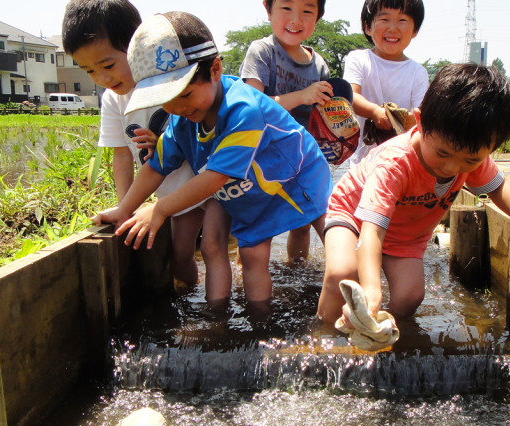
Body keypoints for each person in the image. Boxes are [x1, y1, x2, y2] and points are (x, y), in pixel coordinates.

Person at [91, 11, 333, 306]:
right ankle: (257, 327)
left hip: (296, 178)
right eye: (166, 100)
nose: (178, 107)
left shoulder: (243, 110)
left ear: (215, 69)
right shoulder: (180, 121)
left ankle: (344, 304)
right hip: (252, 192)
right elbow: (156, 167)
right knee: (252, 256)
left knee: (332, 239)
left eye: (186, 94)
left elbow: (215, 177)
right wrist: (125, 208)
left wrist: (160, 209)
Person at [317, 63, 510, 326]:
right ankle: (324, 333)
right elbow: (372, 232)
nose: (451, 168)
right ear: (420, 120)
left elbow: (499, 187)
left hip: (405, 233)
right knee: (342, 275)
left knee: (408, 297)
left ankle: (376, 332)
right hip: (355, 217)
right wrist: (371, 288)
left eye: (470, 160)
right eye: (442, 153)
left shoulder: (469, 156)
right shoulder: (395, 164)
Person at [61, 0, 226, 290]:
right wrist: (126, 206)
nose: (102, 79)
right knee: (181, 255)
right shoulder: (113, 100)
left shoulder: (172, 85)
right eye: (88, 71)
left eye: (108, 65)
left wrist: (164, 142)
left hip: (209, 186)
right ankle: (190, 299)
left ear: (138, 48)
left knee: (213, 246)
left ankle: (218, 313)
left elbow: (207, 133)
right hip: (171, 194)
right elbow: (122, 155)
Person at [240, 0, 331, 263]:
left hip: (303, 159)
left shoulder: (319, 65)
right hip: (262, 158)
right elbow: (252, 107)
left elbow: (321, 119)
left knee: (303, 223)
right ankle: (248, 279)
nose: (296, 19)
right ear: (268, 10)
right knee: (259, 229)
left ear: (317, 17)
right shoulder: (262, 52)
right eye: (286, 8)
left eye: (307, 10)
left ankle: (297, 272)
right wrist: (303, 96)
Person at [343, 0, 429, 165]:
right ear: (368, 26)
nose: (393, 28)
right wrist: (375, 112)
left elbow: (423, 115)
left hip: (397, 162)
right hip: (359, 161)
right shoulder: (359, 59)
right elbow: (350, 96)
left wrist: (412, 121)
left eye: (402, 20)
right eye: (384, 19)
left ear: (415, 30)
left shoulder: (418, 72)